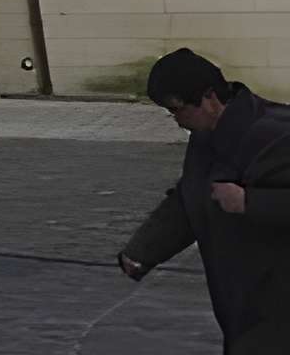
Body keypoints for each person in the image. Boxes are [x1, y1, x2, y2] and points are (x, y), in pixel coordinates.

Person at [118, 47, 290, 352]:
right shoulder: (205, 137)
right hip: (241, 301)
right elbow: (190, 197)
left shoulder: (276, 134)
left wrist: (250, 202)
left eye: (179, 108)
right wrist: (143, 250)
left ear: (209, 97)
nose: (178, 120)